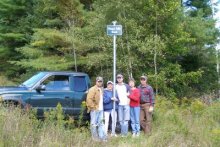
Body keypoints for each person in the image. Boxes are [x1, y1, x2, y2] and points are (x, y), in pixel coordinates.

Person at [86, 77, 106, 141]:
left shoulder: (101, 89)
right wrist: (93, 108)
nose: (99, 82)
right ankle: (94, 138)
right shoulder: (92, 89)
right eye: (98, 81)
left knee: (101, 124)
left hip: (101, 109)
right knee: (93, 124)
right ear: (96, 82)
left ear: (102, 82)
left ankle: (101, 137)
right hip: (95, 110)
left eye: (101, 81)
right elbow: (89, 100)